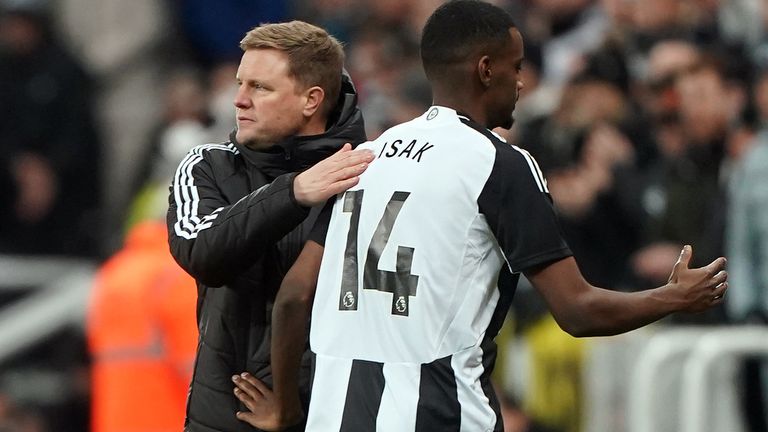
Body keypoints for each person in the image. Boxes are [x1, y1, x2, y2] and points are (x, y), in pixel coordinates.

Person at [232, 2, 728, 431]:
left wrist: (287, 413)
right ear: (486, 69)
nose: (521, 83)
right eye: (515, 68)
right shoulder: (498, 163)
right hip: (440, 415)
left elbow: (295, 297)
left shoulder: (369, 155)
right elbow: (577, 312)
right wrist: (673, 297)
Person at [166, 20, 372, 432]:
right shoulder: (208, 165)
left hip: (339, 416)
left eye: (260, 87)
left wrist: (293, 409)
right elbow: (202, 251)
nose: (238, 100)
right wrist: (292, 193)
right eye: (240, 84)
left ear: (311, 100)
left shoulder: (370, 172)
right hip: (228, 418)